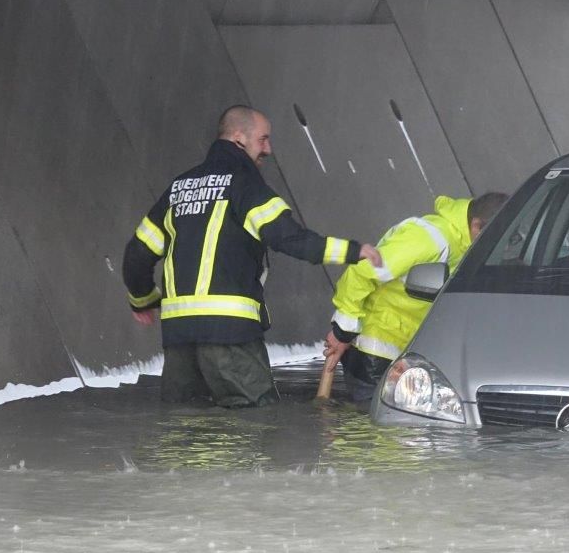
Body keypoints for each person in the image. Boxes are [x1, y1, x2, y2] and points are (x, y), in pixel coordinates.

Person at [123, 105, 381, 408]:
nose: (268, 149)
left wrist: (142, 299)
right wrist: (354, 251)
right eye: (263, 139)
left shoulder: (179, 189)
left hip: (179, 338)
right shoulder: (245, 184)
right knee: (254, 426)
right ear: (238, 138)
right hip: (231, 336)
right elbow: (290, 238)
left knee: (185, 429)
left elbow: (137, 254)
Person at [325, 192, 508, 401]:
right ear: (476, 226)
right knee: (378, 427)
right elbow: (362, 273)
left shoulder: (462, 245)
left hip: (404, 352)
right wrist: (342, 331)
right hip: (375, 353)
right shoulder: (430, 239)